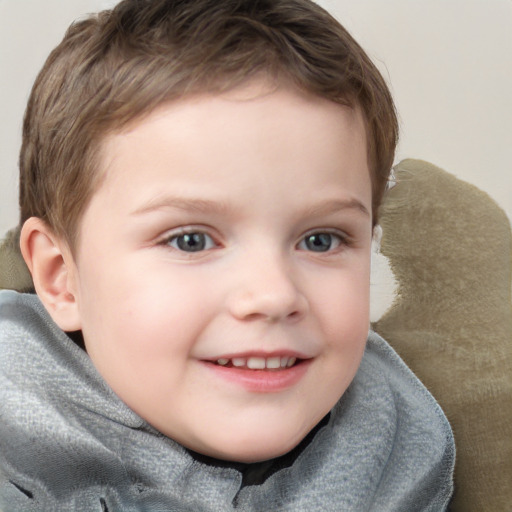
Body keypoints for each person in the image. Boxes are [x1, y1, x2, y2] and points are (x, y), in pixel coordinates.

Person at [0, 0, 455, 510]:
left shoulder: (393, 440)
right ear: (63, 278)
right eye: (190, 240)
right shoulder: (15, 431)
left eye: (321, 239)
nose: (274, 294)